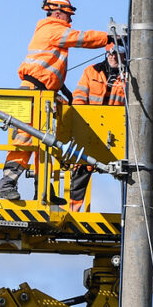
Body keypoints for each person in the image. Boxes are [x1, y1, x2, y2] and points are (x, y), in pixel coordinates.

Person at [0, 0, 113, 202]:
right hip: (32, 94)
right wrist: (109, 38)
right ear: (58, 12)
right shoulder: (52, 29)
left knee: (44, 143)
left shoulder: (50, 31)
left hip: (43, 95)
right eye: (68, 16)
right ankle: (7, 185)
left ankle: (44, 191)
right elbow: (81, 38)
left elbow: (48, 70)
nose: (70, 21)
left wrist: (64, 92)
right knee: (24, 140)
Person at [67, 45, 126, 212]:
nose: (113, 57)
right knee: (80, 169)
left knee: (127, 171)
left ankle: (130, 214)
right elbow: (79, 98)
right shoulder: (91, 72)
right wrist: (82, 120)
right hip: (90, 130)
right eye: (111, 53)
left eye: (117, 54)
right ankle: (73, 211)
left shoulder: (130, 77)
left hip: (115, 134)